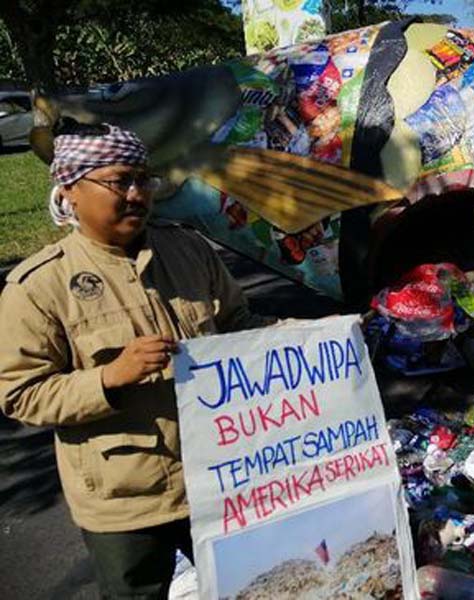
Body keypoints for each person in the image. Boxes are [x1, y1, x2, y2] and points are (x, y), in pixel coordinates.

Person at [0, 120, 274, 598]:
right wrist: (108, 378)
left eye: (142, 180)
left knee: (251, 584)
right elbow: (21, 392)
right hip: (124, 505)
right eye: (118, 181)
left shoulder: (188, 249)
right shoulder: (39, 287)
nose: (136, 194)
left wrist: (315, 335)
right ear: (70, 190)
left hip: (218, 479)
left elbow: (238, 324)